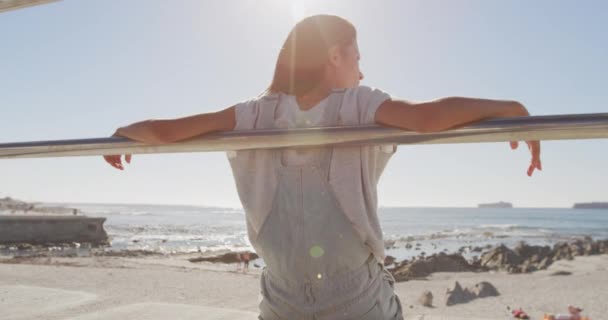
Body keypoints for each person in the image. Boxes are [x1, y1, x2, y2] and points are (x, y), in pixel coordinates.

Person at [103, 14, 541, 320]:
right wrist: (511, 107)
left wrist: (124, 131)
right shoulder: (358, 104)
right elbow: (428, 117)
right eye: (356, 56)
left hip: (281, 297)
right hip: (354, 298)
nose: (361, 67)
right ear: (334, 55)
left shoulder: (254, 113)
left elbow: (167, 130)